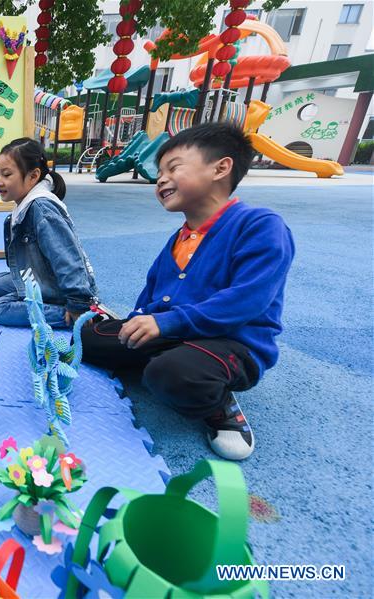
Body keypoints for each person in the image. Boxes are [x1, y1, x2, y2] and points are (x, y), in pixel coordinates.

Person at [81, 123, 295, 460]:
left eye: (174, 167)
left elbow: (246, 301)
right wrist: (135, 324)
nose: (161, 179)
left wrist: (165, 324)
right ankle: (158, 357)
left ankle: (219, 403)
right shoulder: (179, 239)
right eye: (159, 171)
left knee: (170, 374)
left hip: (233, 343)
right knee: (89, 337)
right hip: (175, 333)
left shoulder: (261, 225)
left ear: (220, 168)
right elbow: (151, 296)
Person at [0, 137, 99, 327]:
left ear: (33, 176)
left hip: (63, 288)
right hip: (42, 275)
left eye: (6, 175)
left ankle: (70, 316)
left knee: (1, 309)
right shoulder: (26, 203)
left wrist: (78, 303)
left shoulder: (41, 208)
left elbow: (66, 258)